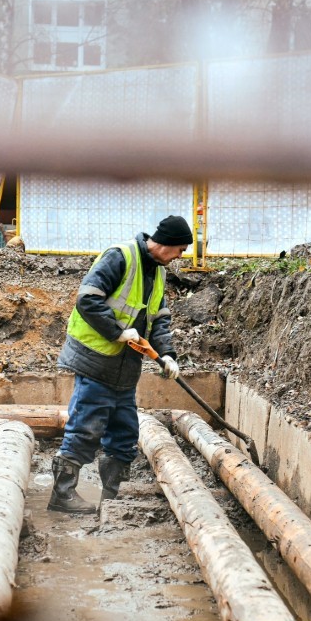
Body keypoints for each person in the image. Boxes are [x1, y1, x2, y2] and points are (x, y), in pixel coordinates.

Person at [49, 215, 192, 514]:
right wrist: (116, 331)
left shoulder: (158, 273)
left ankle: (112, 498)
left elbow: (159, 320)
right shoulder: (121, 256)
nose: (180, 256)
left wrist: (167, 355)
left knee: (125, 433)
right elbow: (87, 299)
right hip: (95, 360)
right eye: (180, 249)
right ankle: (62, 495)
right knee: (86, 428)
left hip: (125, 369)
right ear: (166, 244)